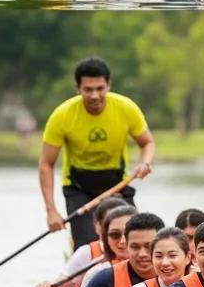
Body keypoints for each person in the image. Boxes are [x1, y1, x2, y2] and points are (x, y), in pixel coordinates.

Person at [40, 58, 154, 247]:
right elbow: (46, 164)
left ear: (109, 85)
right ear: (78, 88)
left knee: (135, 238)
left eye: (100, 88)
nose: (94, 95)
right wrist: (51, 211)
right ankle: (81, 255)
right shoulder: (62, 115)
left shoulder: (126, 108)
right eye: (88, 89)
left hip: (117, 185)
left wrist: (145, 163)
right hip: (78, 188)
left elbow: (147, 143)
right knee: (88, 245)